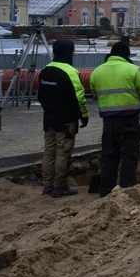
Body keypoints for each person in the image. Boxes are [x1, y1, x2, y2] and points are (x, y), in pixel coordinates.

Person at [90, 42, 140, 196]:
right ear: (127, 55)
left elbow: (95, 95)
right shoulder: (133, 69)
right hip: (129, 120)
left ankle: (105, 192)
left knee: (109, 156)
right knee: (129, 157)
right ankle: (126, 191)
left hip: (109, 123)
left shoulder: (97, 72)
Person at [38, 39, 88, 198]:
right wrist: (84, 116)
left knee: (49, 152)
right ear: (70, 52)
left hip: (49, 120)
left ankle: (47, 186)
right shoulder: (71, 72)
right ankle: (59, 187)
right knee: (63, 152)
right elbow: (79, 98)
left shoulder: (46, 70)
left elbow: (41, 96)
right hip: (66, 121)